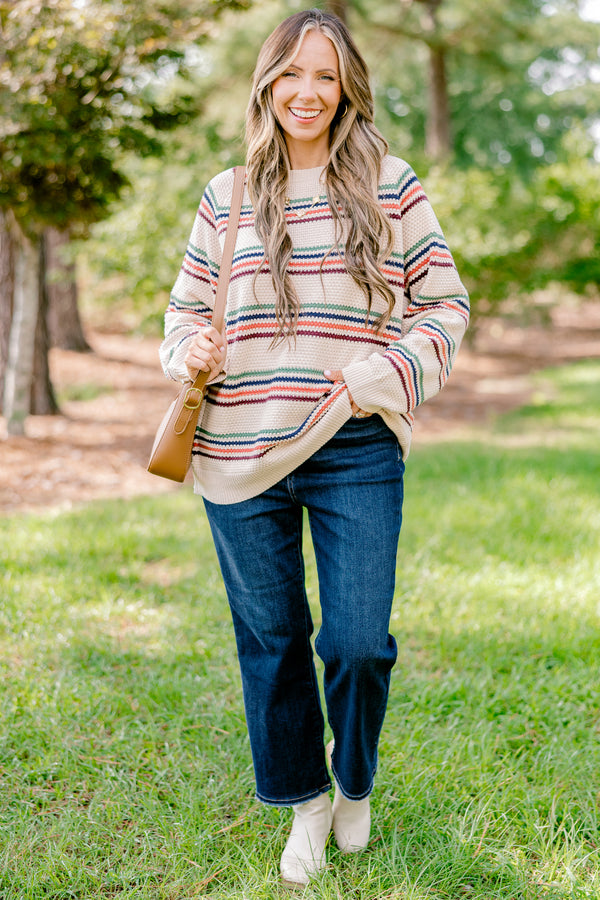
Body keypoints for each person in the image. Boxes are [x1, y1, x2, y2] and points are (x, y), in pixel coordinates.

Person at [160, 7, 469, 886]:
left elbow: (445, 305)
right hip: (239, 448)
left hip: (354, 444)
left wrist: (382, 377)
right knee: (273, 639)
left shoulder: (391, 183)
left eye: (326, 76)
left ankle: (356, 783)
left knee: (360, 642)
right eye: (292, 74)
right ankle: (304, 803)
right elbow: (183, 312)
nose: (308, 92)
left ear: (347, 88)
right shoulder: (226, 193)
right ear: (267, 83)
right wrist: (189, 349)